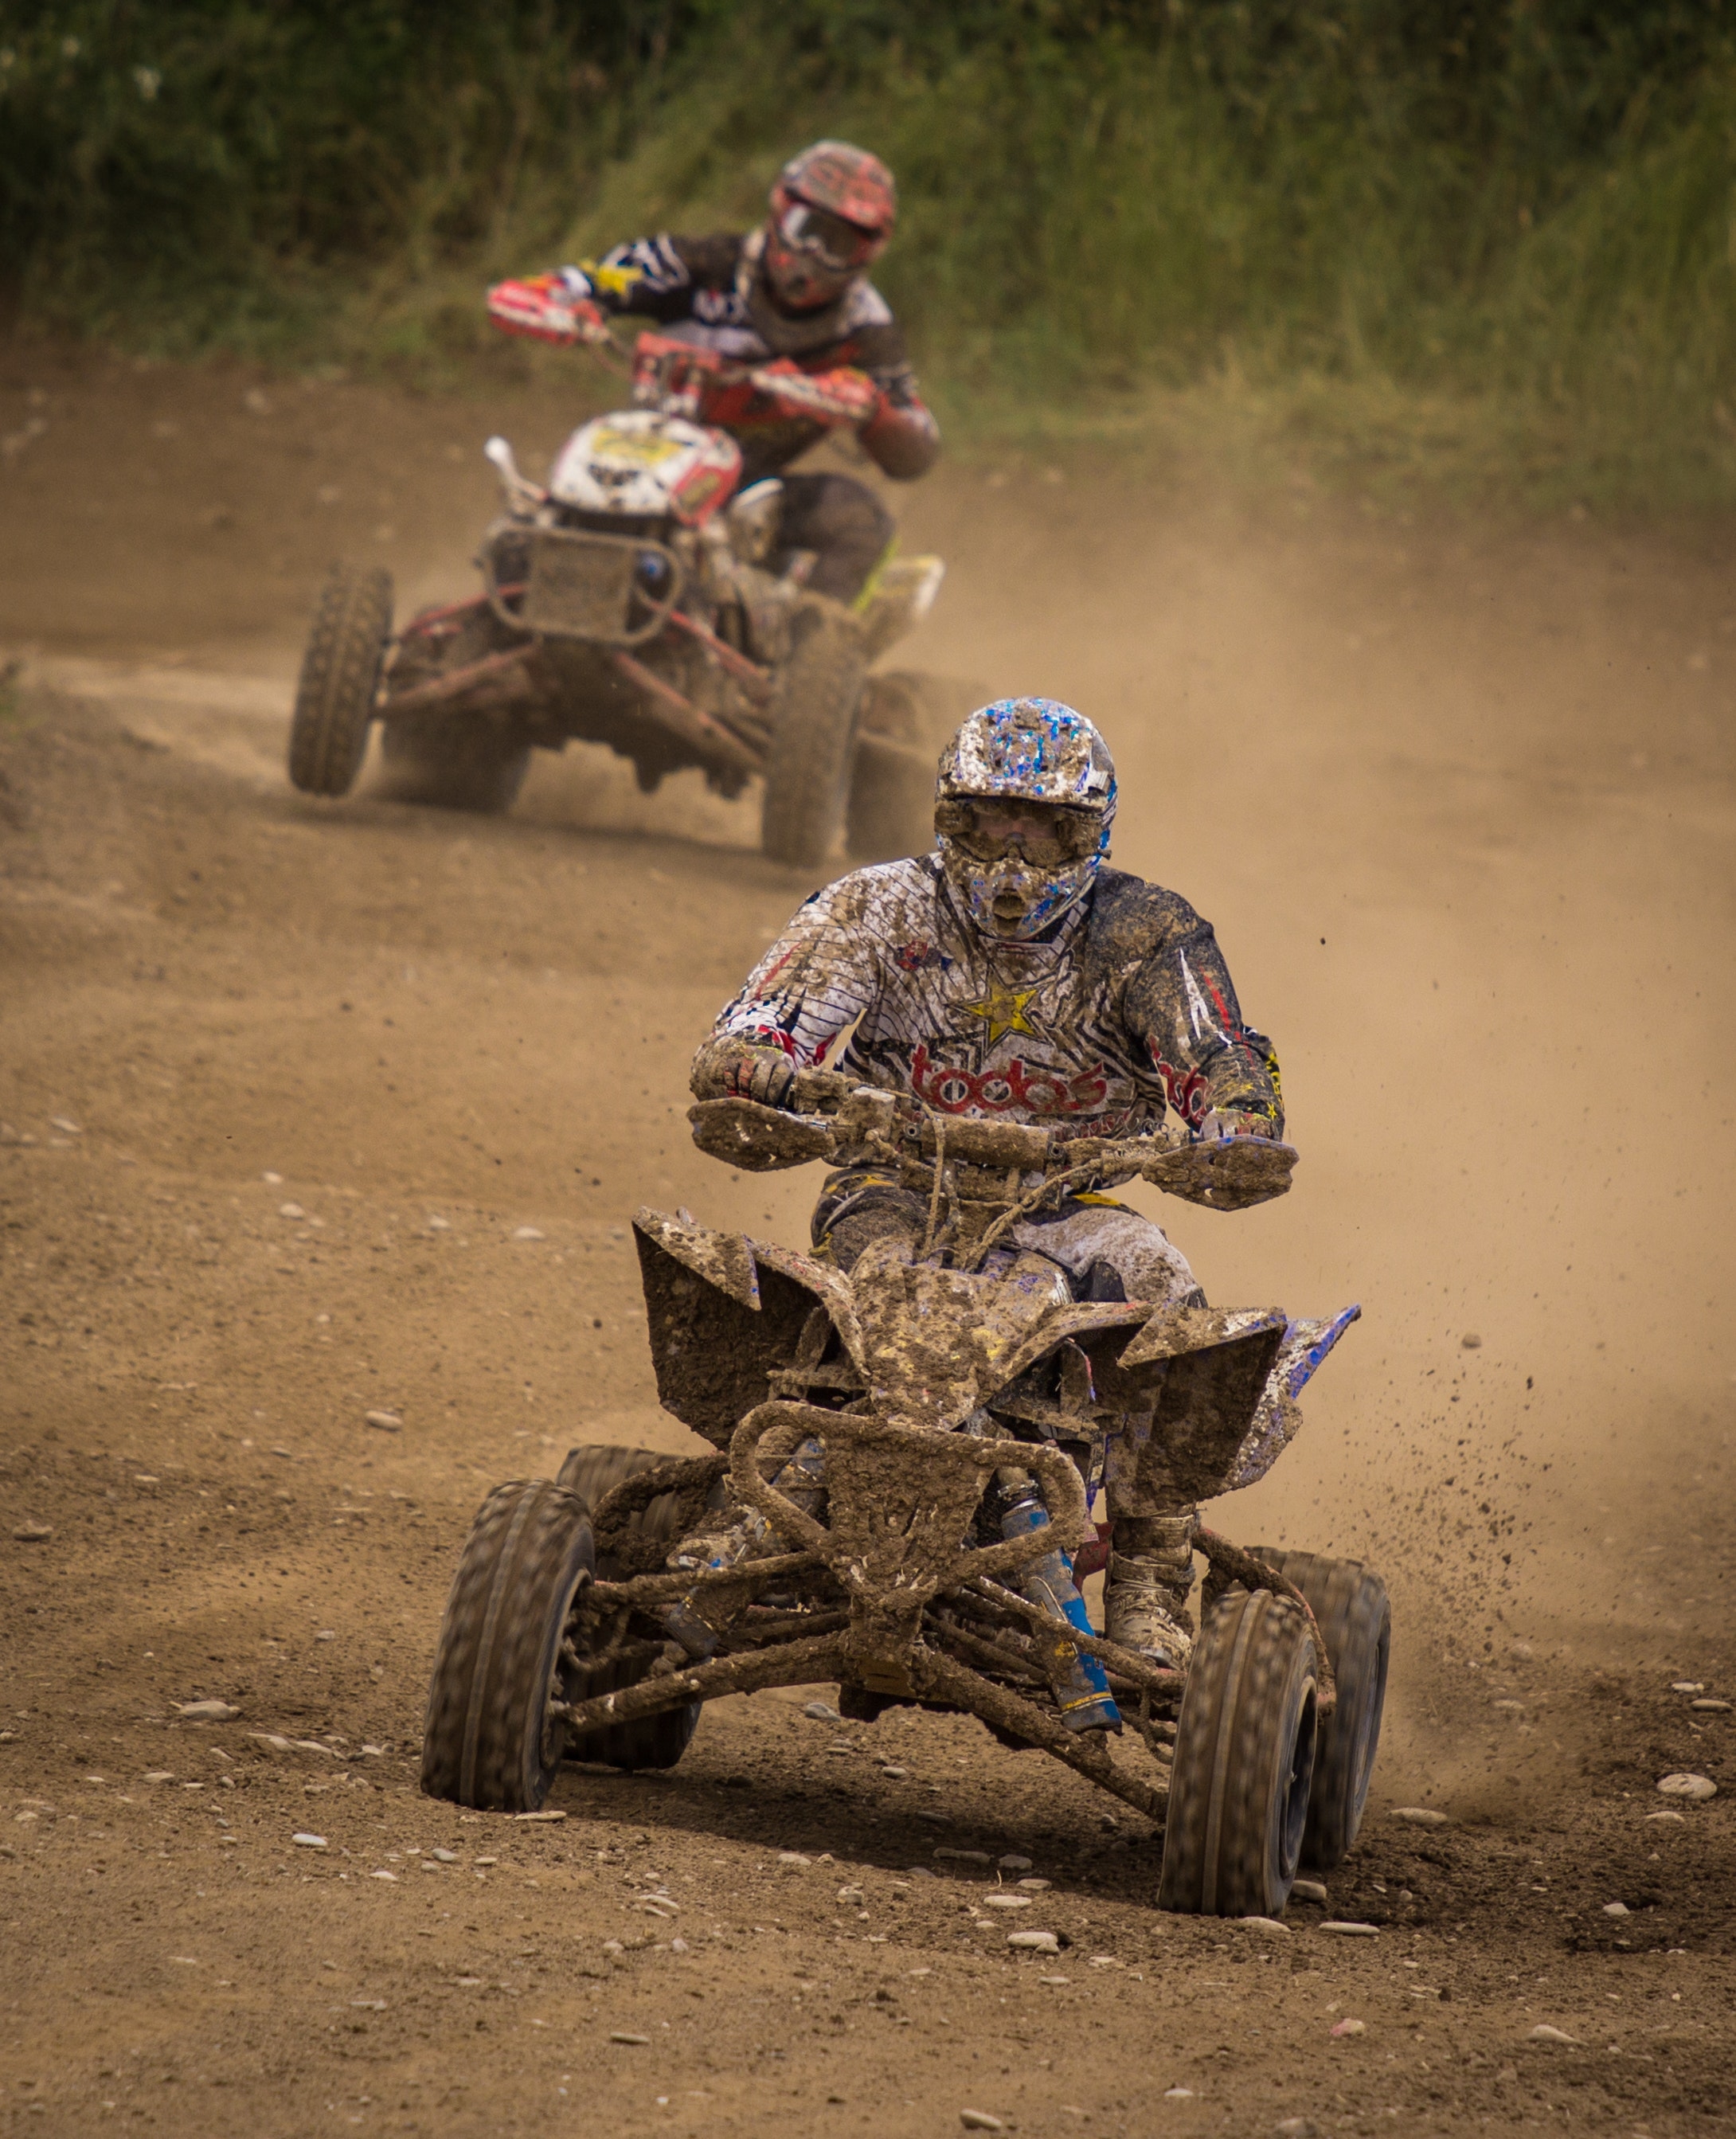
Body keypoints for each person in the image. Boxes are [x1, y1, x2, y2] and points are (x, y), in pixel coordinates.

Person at [690, 697, 1286, 1672]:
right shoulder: (877, 904)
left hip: (1076, 1208)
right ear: (950, 817)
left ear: (1088, 831)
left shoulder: (1148, 929)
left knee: (1165, 1285)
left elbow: (1221, 1053)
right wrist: (757, 1060)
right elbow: (763, 1020)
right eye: (993, 821)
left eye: (1045, 826)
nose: (1016, 854)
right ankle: (743, 1518)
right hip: (894, 1182)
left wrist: (1238, 1120)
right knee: (858, 1289)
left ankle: (1148, 1579)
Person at [486, 140, 938, 604]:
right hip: (648, 456)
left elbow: (918, 446)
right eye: (806, 229)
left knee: (862, 523)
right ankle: (499, 617)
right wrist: (546, 300)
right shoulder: (695, 264)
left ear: (865, 255)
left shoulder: (866, 326)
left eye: (837, 244)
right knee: (526, 529)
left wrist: (873, 410)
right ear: (780, 213)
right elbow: (594, 278)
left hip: (752, 490)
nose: (814, 254)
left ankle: (810, 662)